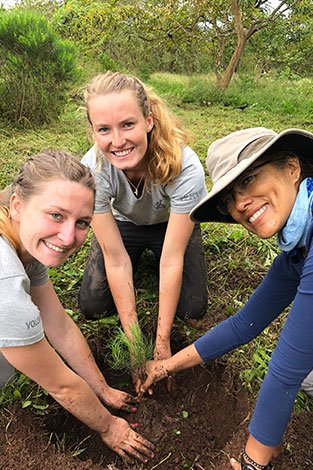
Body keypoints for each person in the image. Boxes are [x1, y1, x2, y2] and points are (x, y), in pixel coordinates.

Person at [140, 127, 313, 469]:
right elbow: (242, 325)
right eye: (228, 199)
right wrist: (165, 366)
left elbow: (284, 369)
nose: (240, 204)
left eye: (248, 180)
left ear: (292, 167)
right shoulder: (297, 250)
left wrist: (253, 461)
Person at [0, 150, 154, 463]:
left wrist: (102, 389)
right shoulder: (6, 281)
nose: (68, 236)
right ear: (17, 205)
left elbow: (58, 324)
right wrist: (110, 427)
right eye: (56, 215)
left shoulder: (25, 245)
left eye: (82, 222)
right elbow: (61, 386)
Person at [78, 71, 208, 392]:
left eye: (128, 125)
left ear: (148, 120)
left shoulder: (185, 166)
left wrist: (161, 345)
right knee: (92, 304)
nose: (118, 141)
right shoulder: (92, 171)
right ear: (93, 131)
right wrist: (135, 342)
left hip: (171, 225)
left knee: (193, 307)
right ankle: (142, 260)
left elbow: (171, 258)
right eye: (104, 129)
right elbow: (115, 257)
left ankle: (152, 265)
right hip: (124, 226)